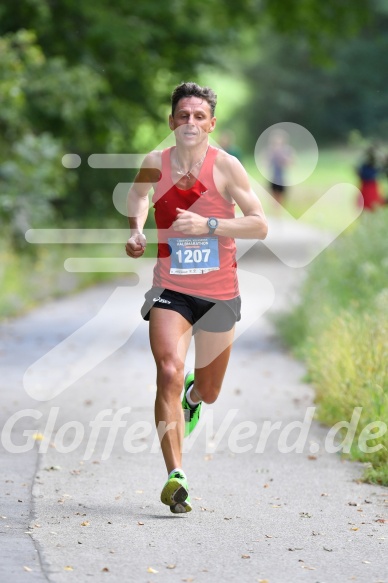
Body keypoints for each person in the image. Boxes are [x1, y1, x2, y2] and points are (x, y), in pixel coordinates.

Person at [125, 82, 268, 514]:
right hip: (172, 287)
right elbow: (138, 195)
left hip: (219, 295)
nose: (190, 122)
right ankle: (176, 476)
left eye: (199, 116)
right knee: (168, 369)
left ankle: (193, 398)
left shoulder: (227, 168)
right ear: (171, 122)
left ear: (211, 124)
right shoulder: (155, 162)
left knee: (208, 391)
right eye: (183, 115)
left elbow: (259, 225)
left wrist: (208, 226)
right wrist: (135, 228)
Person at [266, 128, 293, 206]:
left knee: (281, 198)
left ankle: (278, 213)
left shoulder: (287, 150)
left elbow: (290, 163)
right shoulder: (271, 150)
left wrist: (283, 158)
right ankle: (275, 213)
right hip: (273, 177)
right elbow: (267, 164)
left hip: (282, 178)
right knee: (273, 197)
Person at [356, 145, 385, 210]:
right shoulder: (365, 164)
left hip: (371, 184)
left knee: (372, 201)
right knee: (368, 202)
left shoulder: (375, 164)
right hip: (367, 184)